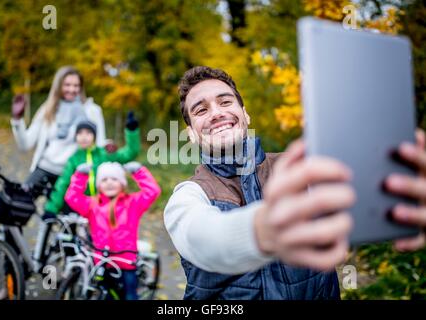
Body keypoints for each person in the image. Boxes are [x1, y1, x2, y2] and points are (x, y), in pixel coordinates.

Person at [164, 66, 426, 300]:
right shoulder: (188, 196)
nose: (217, 113)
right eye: (201, 110)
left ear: (245, 114)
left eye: (225, 102)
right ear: (191, 135)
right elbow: (200, 236)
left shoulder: (299, 168)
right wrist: (264, 229)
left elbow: (363, 195)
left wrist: (403, 196)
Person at [65, 161, 161, 300]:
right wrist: (81, 176)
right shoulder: (92, 205)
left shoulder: (133, 203)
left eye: (114, 179)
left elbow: (153, 191)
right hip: (102, 262)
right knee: (106, 295)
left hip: (127, 263)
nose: (109, 183)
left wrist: (139, 172)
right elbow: (72, 197)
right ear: (98, 185)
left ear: (122, 183)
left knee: (130, 296)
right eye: (104, 179)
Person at [10, 66, 106, 198]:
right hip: (44, 169)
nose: (72, 89)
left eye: (76, 85)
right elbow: (25, 145)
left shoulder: (91, 111)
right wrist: (17, 120)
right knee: (19, 203)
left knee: (62, 217)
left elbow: (100, 146)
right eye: (67, 85)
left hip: (72, 175)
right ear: (58, 85)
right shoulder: (48, 109)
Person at [42, 112, 140, 220]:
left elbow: (130, 153)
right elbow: (63, 184)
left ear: (94, 136)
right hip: (79, 205)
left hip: (102, 205)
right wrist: (51, 208)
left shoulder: (104, 154)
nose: (84, 137)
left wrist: (132, 131)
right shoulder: (74, 159)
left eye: (88, 133)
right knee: (70, 233)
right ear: (76, 136)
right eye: (80, 133)